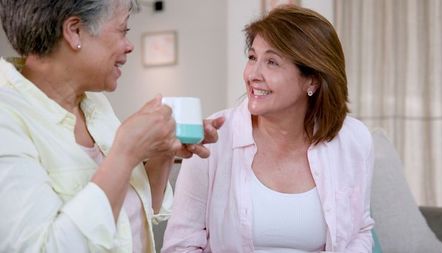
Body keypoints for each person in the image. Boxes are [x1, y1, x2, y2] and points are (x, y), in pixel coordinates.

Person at [0, 0, 223, 252]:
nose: (129, 46)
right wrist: (125, 154)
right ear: (74, 31)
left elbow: (135, 216)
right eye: (123, 30)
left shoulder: (95, 105)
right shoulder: (7, 118)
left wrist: (163, 151)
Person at [162, 5, 374, 253]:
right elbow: (180, 246)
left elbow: (360, 230)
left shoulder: (352, 140)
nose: (253, 74)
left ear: (312, 80)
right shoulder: (213, 137)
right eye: (252, 57)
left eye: (272, 62)